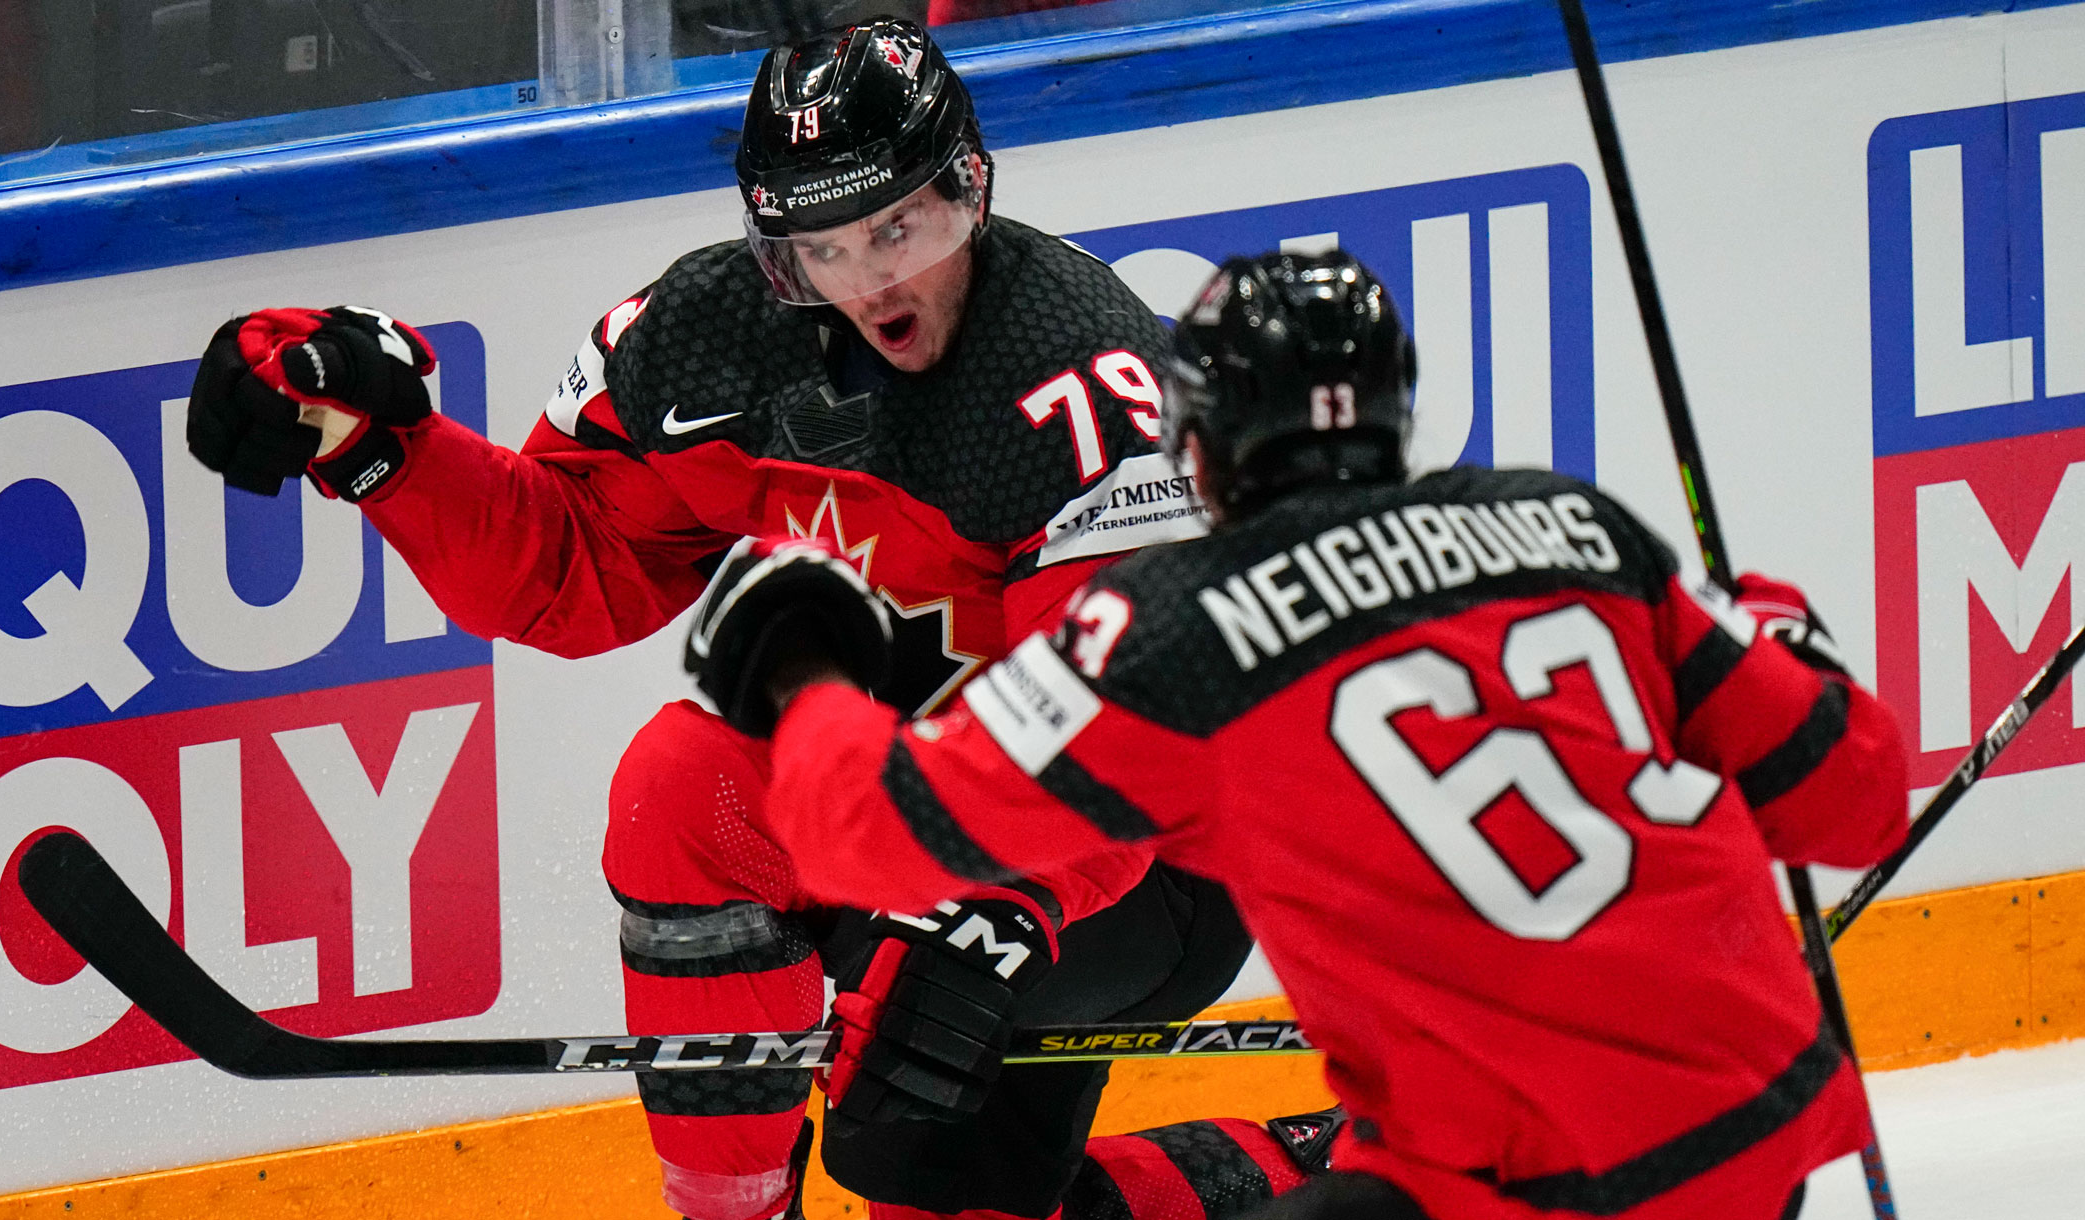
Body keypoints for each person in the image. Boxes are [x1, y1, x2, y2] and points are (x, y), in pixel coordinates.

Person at [181, 20, 1324, 1220]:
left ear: (971, 191)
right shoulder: (696, 341)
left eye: (902, 227)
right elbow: (571, 574)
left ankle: (1300, 1160)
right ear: (773, 252)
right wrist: (383, 451)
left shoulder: (1081, 380)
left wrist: (990, 918)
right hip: (907, 818)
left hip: (1138, 869)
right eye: (824, 246)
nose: (873, 281)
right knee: (686, 783)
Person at [694, 250, 1913, 1220]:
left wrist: (802, 666)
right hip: (1761, 1118)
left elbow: (874, 833)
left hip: (1530, 1183)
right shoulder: (1579, 528)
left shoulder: (1177, 628)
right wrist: (1774, 619)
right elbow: (1855, 802)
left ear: (1201, 447)